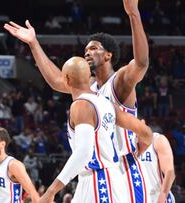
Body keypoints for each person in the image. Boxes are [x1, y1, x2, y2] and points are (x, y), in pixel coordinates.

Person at [4, 0, 150, 201]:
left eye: (94, 48)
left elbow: (141, 63)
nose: (88, 52)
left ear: (109, 55)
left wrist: (133, 13)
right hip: (96, 171)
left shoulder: (120, 81)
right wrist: (33, 43)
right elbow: (57, 80)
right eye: (86, 50)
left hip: (122, 165)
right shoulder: (87, 88)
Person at [38, 57, 153, 203]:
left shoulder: (81, 105)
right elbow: (147, 132)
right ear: (88, 77)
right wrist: (141, 148)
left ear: (66, 79)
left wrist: (51, 191)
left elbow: (83, 153)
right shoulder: (106, 103)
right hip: (98, 179)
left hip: (100, 181)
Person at [139, 132, 175, 203]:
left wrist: (161, 199)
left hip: (156, 197)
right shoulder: (123, 143)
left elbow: (170, 173)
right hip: (134, 196)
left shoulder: (157, 139)